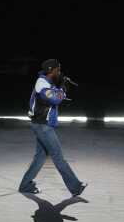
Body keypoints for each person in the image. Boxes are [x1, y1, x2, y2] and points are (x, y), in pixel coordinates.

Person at [18, 59, 86, 197]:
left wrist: (61, 87)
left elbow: (57, 96)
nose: (59, 72)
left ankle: (25, 186)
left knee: (39, 158)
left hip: (42, 125)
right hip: (43, 126)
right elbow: (55, 99)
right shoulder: (41, 83)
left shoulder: (47, 82)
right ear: (51, 70)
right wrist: (63, 88)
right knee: (58, 158)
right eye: (58, 69)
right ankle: (76, 187)